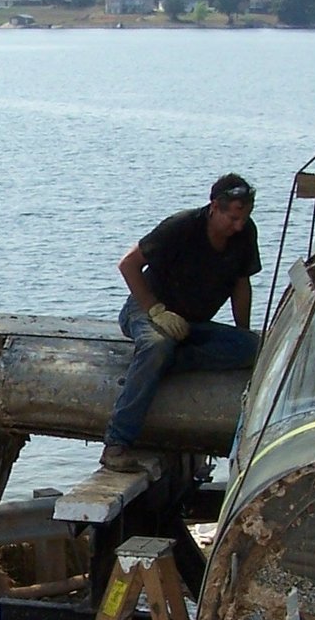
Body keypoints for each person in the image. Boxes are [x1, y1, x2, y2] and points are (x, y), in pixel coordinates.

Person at [100, 173, 262, 471]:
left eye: (245, 218)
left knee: (254, 349)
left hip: (191, 324)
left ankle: (159, 365)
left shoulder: (245, 234)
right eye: (233, 218)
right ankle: (116, 443)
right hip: (148, 309)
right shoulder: (181, 226)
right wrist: (156, 310)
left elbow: (242, 284)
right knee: (158, 345)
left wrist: (242, 332)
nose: (239, 226)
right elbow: (128, 264)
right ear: (215, 207)